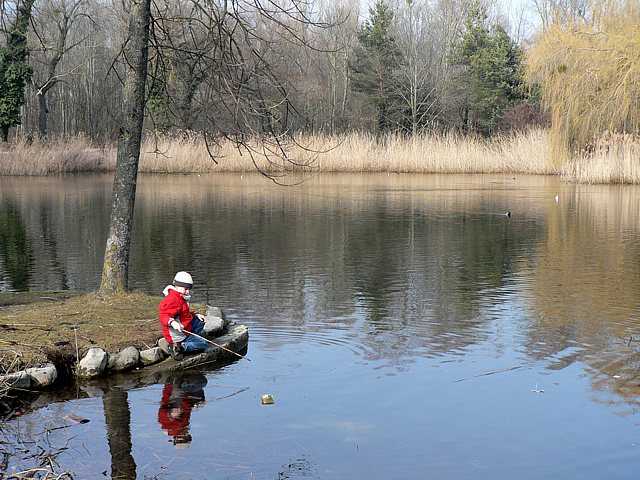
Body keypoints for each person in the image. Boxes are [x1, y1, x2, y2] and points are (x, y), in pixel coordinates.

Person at [159, 271, 210, 360]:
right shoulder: (172, 300)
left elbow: (184, 313)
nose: (187, 292)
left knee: (200, 322)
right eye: (185, 289)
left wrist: (195, 315)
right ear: (177, 286)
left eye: (189, 289)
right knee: (204, 343)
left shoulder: (180, 297)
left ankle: (191, 338)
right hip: (177, 333)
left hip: (185, 327)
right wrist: (173, 322)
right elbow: (164, 316)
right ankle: (179, 347)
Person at [157, 373, 207, 448]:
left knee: (200, 382)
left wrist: (170, 414)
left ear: (176, 439)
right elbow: (186, 407)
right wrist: (195, 403)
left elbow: (162, 414)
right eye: (188, 437)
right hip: (184, 394)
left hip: (175, 393)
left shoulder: (173, 429)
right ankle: (183, 379)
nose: (186, 435)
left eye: (184, 438)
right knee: (201, 383)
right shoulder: (183, 425)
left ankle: (177, 380)